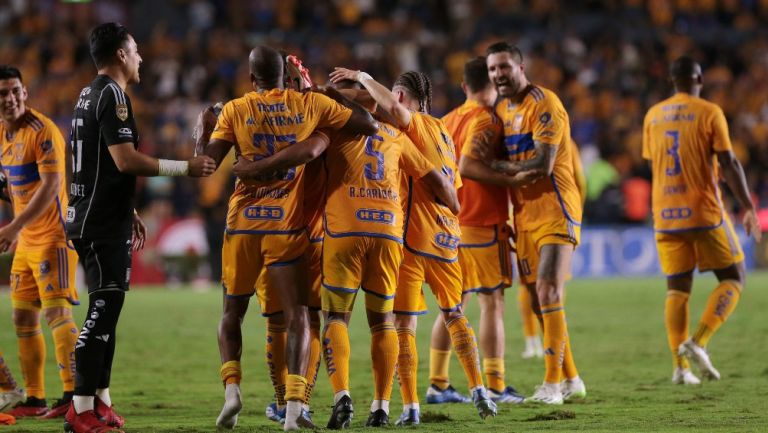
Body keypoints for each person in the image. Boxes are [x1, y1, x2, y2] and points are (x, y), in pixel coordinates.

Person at [196, 45, 377, 431]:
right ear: (284, 75)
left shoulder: (234, 108)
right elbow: (368, 124)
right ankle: (294, 410)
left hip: (242, 224)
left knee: (233, 313)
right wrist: (328, 93)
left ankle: (232, 391)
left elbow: (205, 166)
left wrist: (201, 132)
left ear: (251, 78)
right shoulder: (309, 105)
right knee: (299, 317)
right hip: (286, 226)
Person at [64, 22, 215, 433]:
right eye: (136, 50)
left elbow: (91, 161)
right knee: (102, 311)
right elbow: (126, 160)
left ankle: (100, 401)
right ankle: (79, 409)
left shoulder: (86, 94)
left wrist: (126, 207)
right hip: (98, 223)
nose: (141, 57)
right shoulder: (113, 95)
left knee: (107, 312)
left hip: (95, 214)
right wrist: (185, 167)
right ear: (120, 55)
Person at [329, 67, 497, 424]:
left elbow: (390, 107)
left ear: (401, 97)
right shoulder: (444, 132)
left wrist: (362, 76)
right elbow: (453, 193)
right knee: (454, 313)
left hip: (414, 236)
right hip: (448, 237)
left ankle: (410, 407)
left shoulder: (414, 125)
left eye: (390, 97)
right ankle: (480, 389)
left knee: (402, 324)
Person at [642, 56, 761, 385]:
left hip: (665, 215)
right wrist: (748, 206)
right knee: (734, 277)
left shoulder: (653, 115)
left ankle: (680, 368)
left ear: (671, 81)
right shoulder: (709, 112)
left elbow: (655, 161)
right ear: (699, 81)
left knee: (677, 290)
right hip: (703, 212)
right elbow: (729, 160)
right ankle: (699, 341)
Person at [483, 42, 586, 404]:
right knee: (541, 303)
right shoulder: (500, 107)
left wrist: (500, 168)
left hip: (556, 209)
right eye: (493, 69)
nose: (498, 74)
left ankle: (553, 386)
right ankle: (572, 378)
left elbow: (542, 165)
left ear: (520, 66)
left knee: (548, 292)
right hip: (525, 215)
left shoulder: (545, 104)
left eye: (504, 67)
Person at [427, 57, 525, 404]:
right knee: (492, 303)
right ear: (493, 84)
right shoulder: (487, 120)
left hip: (449, 224)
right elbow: (469, 167)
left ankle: (438, 383)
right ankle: (496, 385)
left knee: (453, 305)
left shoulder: (447, 119)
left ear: (464, 86)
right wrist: (513, 177)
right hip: (482, 222)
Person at [0, 65, 80, 419]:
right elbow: (15, 188)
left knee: (57, 313)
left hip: (53, 238)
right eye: (2, 93)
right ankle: (34, 398)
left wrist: (13, 227)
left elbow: (49, 188)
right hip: (26, 241)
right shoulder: (2, 134)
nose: (10, 98)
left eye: (15, 90)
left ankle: (74, 395)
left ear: (25, 92)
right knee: (22, 317)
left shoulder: (42, 131)